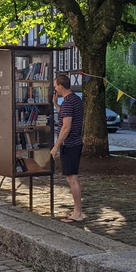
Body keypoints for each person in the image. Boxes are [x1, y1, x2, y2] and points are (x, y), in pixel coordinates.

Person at [50, 74, 84, 223]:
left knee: (72, 179)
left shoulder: (68, 102)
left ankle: (78, 212)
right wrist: (56, 105)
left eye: (55, 86)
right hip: (76, 142)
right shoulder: (75, 100)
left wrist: (56, 146)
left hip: (69, 144)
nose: (54, 88)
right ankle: (77, 210)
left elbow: (66, 127)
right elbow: (66, 115)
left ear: (61, 87)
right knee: (71, 177)